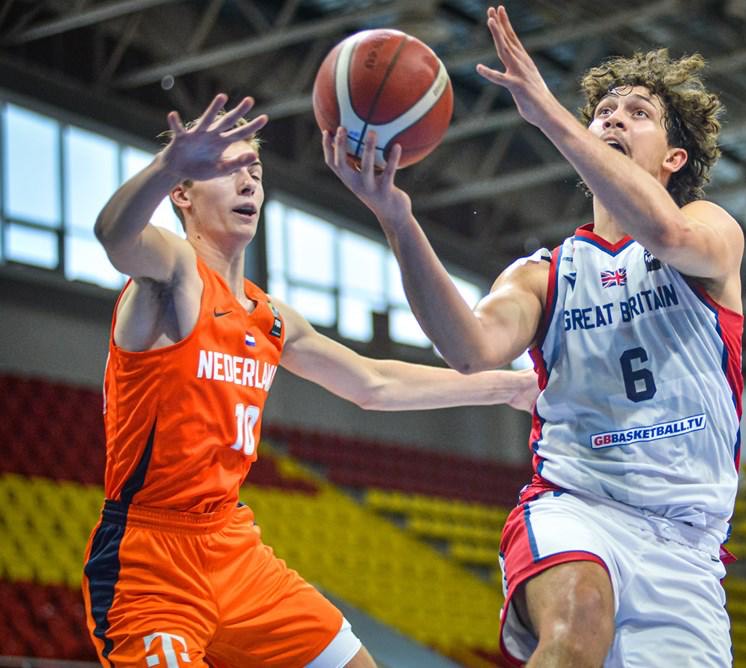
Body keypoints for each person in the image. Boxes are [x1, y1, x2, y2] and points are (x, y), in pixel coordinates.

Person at [324, 5, 744, 667]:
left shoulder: (710, 229)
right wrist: (397, 220)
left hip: (685, 544)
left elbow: (665, 235)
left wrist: (548, 111)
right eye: (602, 110)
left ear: (673, 156)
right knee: (576, 628)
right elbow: (468, 350)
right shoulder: (544, 273)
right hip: (576, 504)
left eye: (635, 112)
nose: (611, 118)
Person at [82, 93, 538, 668]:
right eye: (226, 169)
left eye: (255, 169)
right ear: (183, 193)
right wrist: (166, 164)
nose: (248, 181)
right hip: (150, 558)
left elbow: (374, 384)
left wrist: (509, 387)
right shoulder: (171, 275)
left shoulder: (267, 316)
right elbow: (113, 237)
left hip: (231, 545)